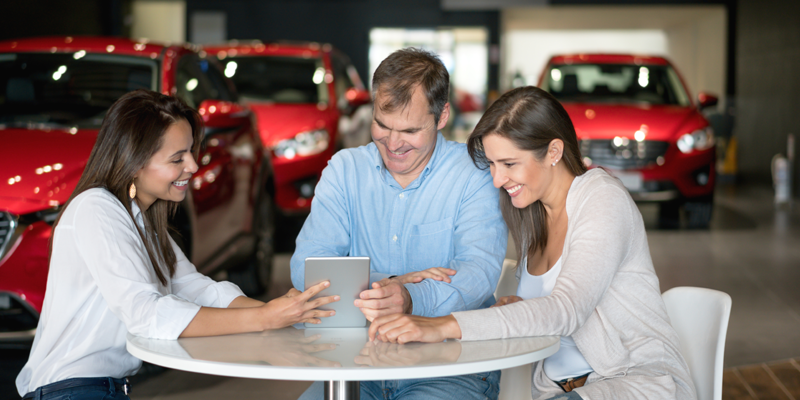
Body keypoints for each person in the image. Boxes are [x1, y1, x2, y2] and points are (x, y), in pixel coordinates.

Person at [368, 86, 697, 400]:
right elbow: (547, 314)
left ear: (554, 151)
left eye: (509, 164)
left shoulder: (602, 199)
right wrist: (517, 307)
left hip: (636, 383)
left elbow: (565, 310)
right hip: (560, 392)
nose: (497, 180)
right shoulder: (532, 216)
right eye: (493, 165)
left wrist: (441, 326)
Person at [16, 90, 339, 400]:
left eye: (190, 152)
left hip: (99, 387)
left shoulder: (140, 219)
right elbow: (146, 314)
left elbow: (194, 287)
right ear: (135, 162)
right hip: (69, 389)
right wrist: (265, 318)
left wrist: (289, 312)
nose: (193, 167)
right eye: (177, 158)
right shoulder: (96, 208)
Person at [291, 48, 508, 399]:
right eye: (382, 125)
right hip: (353, 365)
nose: (392, 144)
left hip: (449, 368)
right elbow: (306, 268)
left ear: (442, 117)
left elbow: (478, 274)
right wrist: (392, 284)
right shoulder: (344, 171)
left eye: (409, 130)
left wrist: (411, 298)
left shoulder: (474, 174)